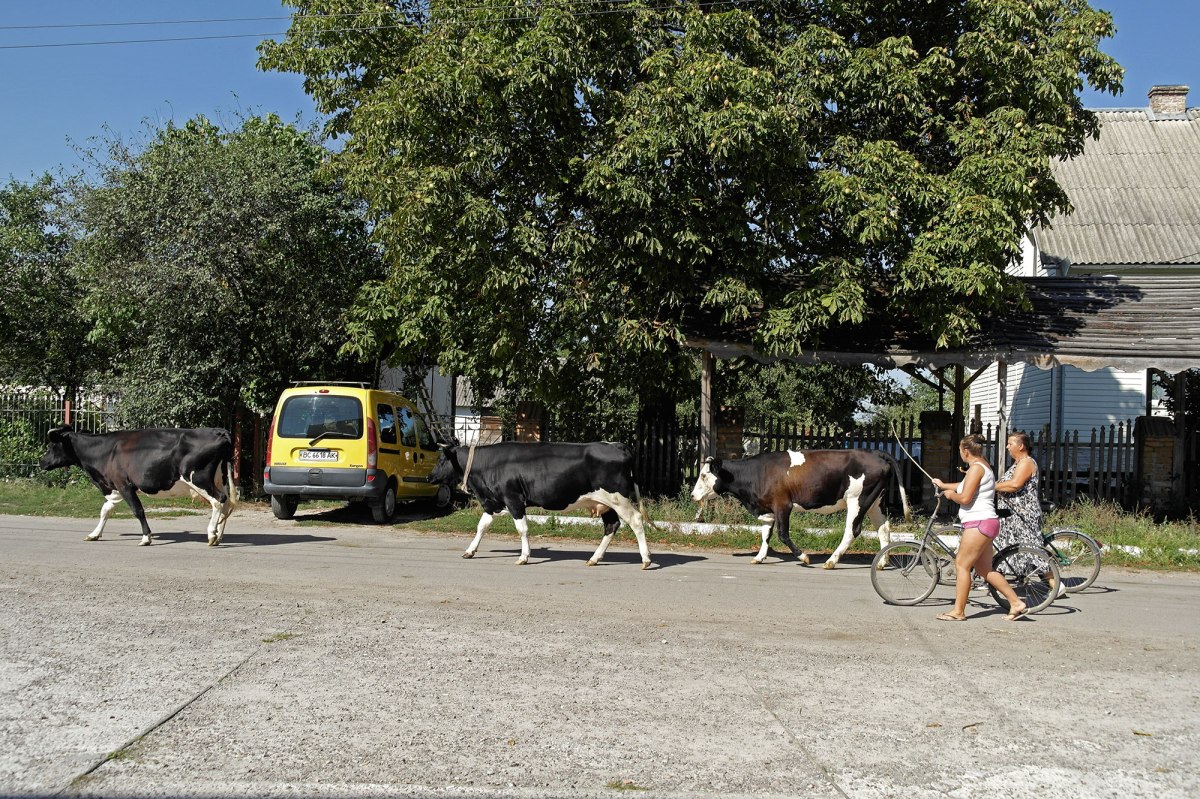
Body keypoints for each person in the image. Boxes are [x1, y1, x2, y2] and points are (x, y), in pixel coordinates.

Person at [930, 434, 1028, 621]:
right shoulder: (983, 466)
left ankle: (958, 611)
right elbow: (966, 485)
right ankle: (1016, 603)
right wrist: (944, 486)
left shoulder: (975, 469)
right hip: (986, 522)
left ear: (966, 451)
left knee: (962, 564)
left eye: (960, 450)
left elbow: (965, 497)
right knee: (984, 570)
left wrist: (950, 495)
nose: (960, 453)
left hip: (979, 523)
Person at [996, 432, 1063, 597]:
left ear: (1021, 446)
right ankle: (996, 582)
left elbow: (1015, 485)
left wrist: (993, 486)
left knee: (1031, 550)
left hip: (1024, 515)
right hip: (1013, 515)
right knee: (1007, 547)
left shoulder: (1026, 462)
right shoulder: (1018, 463)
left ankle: (1056, 586)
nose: (1007, 447)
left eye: (1010, 443)